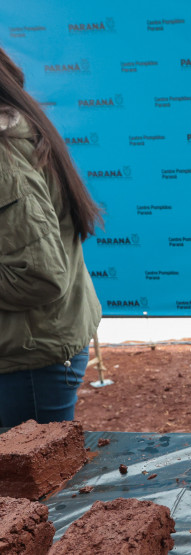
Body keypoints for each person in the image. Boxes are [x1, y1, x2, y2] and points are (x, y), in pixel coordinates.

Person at [0, 46, 103, 427]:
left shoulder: (3, 155)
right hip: (31, 350)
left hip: (28, 361)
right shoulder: (16, 127)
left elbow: (38, 276)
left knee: (33, 482)